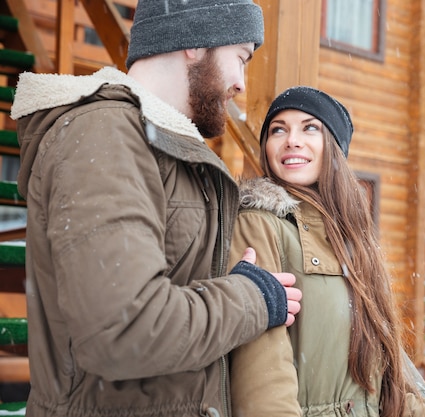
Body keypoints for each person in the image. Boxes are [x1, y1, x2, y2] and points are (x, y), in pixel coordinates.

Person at [9, 1, 302, 416]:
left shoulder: (162, 147)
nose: (241, 83)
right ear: (195, 42)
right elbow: (125, 331)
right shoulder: (105, 134)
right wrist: (252, 298)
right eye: (240, 58)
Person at [227, 86, 425, 417]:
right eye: (278, 129)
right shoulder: (260, 225)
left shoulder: (352, 239)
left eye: (309, 127)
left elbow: (385, 395)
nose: (291, 139)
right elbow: (261, 371)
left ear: (335, 148)